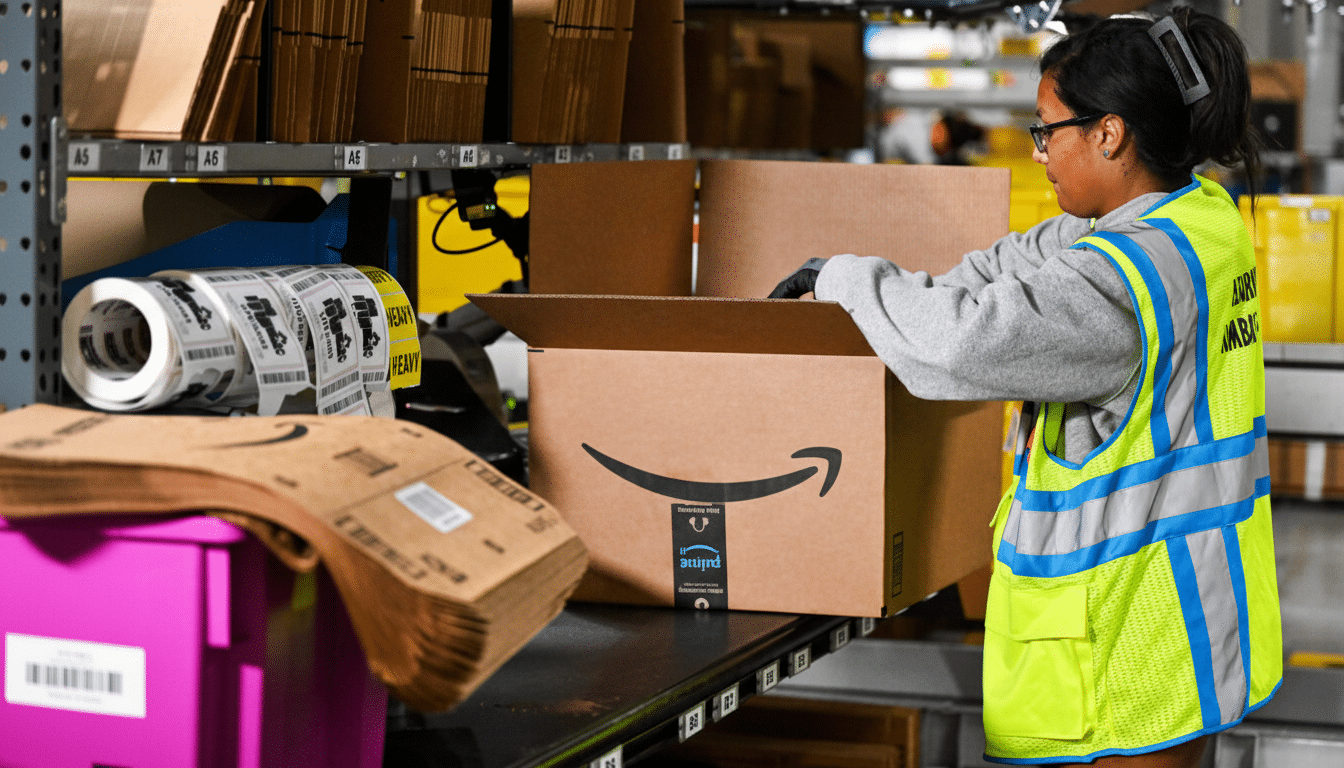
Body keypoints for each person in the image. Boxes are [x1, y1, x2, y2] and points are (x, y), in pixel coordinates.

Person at [769, 9, 1282, 767]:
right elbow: (1007, 267)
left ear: (1109, 134)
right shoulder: (1197, 221)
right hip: (1185, 613)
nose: (1039, 152)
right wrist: (894, 292)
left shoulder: (1116, 287)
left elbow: (968, 341)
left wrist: (842, 279)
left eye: (1048, 130)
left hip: (1129, 643)